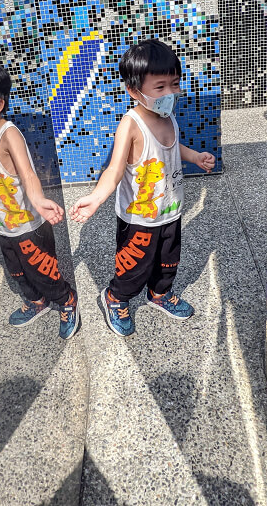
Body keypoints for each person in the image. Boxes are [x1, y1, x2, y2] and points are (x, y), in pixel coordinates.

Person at [70, 39, 216, 337]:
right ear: (134, 91)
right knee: (133, 267)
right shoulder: (131, 124)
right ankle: (116, 297)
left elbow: (174, 149)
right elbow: (114, 169)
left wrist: (195, 157)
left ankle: (160, 294)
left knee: (168, 261)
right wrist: (96, 198)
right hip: (139, 220)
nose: (170, 94)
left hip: (170, 212)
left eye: (174, 84)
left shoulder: (168, 117)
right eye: (159, 87)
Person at [0, 60, 81, 340]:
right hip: (2, 225)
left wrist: (39, 199)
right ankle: (35, 301)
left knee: (43, 269)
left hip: (29, 226)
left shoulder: (8, 135)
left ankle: (66, 300)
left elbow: (27, 173)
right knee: (17, 271)